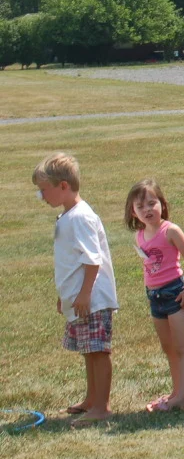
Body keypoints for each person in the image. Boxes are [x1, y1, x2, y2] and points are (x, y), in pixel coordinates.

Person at [33, 153, 119, 427]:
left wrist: (83, 294)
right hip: (80, 298)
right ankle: (91, 399)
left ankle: (102, 407)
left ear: (63, 186)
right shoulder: (68, 216)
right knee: (88, 350)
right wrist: (66, 296)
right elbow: (70, 262)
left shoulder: (81, 217)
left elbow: (92, 261)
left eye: (43, 190)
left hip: (93, 299)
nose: (40, 196)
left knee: (98, 351)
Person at [125, 178, 184, 412]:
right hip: (154, 296)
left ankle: (182, 397)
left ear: (162, 204)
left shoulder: (171, 230)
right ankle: (176, 394)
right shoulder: (140, 236)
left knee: (182, 347)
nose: (147, 210)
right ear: (133, 212)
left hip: (175, 294)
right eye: (140, 206)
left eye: (151, 203)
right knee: (169, 348)